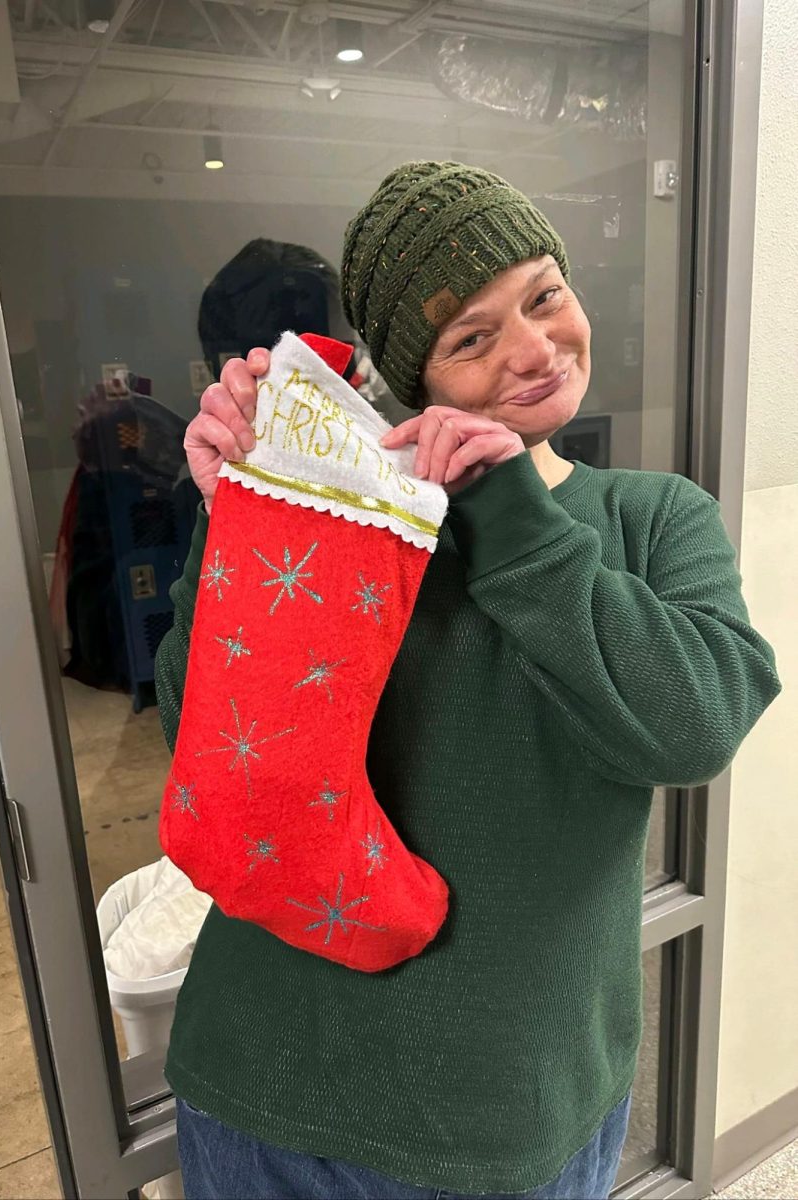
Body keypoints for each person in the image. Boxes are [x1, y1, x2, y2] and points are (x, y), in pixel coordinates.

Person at [154, 162, 782, 1200]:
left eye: (544, 296)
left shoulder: (651, 519)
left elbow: (698, 721)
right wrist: (235, 530)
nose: (534, 349)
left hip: (491, 1123)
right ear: (421, 379)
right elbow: (205, 744)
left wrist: (510, 513)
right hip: (252, 1081)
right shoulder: (359, 519)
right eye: (472, 337)